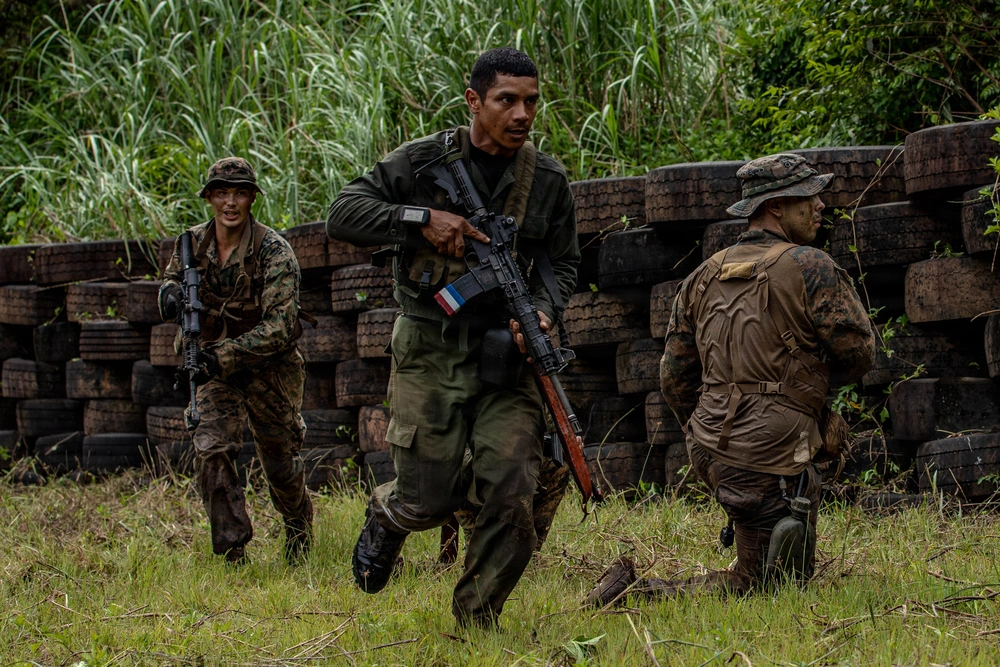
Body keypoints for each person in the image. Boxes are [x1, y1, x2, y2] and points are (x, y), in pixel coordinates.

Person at [327, 47, 579, 627]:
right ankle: (392, 514)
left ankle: (475, 621)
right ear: (474, 101)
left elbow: (562, 265)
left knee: (514, 486)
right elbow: (342, 214)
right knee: (427, 495)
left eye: (532, 102)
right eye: (506, 100)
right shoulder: (422, 163)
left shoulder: (546, 181)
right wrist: (421, 221)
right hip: (430, 347)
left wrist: (541, 312)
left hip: (508, 356)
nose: (522, 114)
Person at [587, 153, 875, 606]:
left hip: (708, 447)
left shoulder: (703, 274)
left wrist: (709, 434)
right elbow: (859, 354)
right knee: (763, 586)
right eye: (808, 197)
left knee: (782, 559)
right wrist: (807, 396)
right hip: (769, 454)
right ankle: (637, 596)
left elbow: (674, 377)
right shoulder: (810, 265)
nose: (821, 206)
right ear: (775, 206)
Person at [159, 157, 312, 566]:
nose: (231, 202)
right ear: (209, 197)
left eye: (240, 193)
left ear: (251, 199)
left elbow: (280, 327)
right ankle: (232, 548)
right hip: (211, 367)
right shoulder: (191, 244)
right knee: (211, 448)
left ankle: (298, 527)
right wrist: (170, 295)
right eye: (222, 192)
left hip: (270, 368)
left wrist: (220, 357)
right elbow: (173, 280)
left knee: (279, 463)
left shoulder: (273, 250)